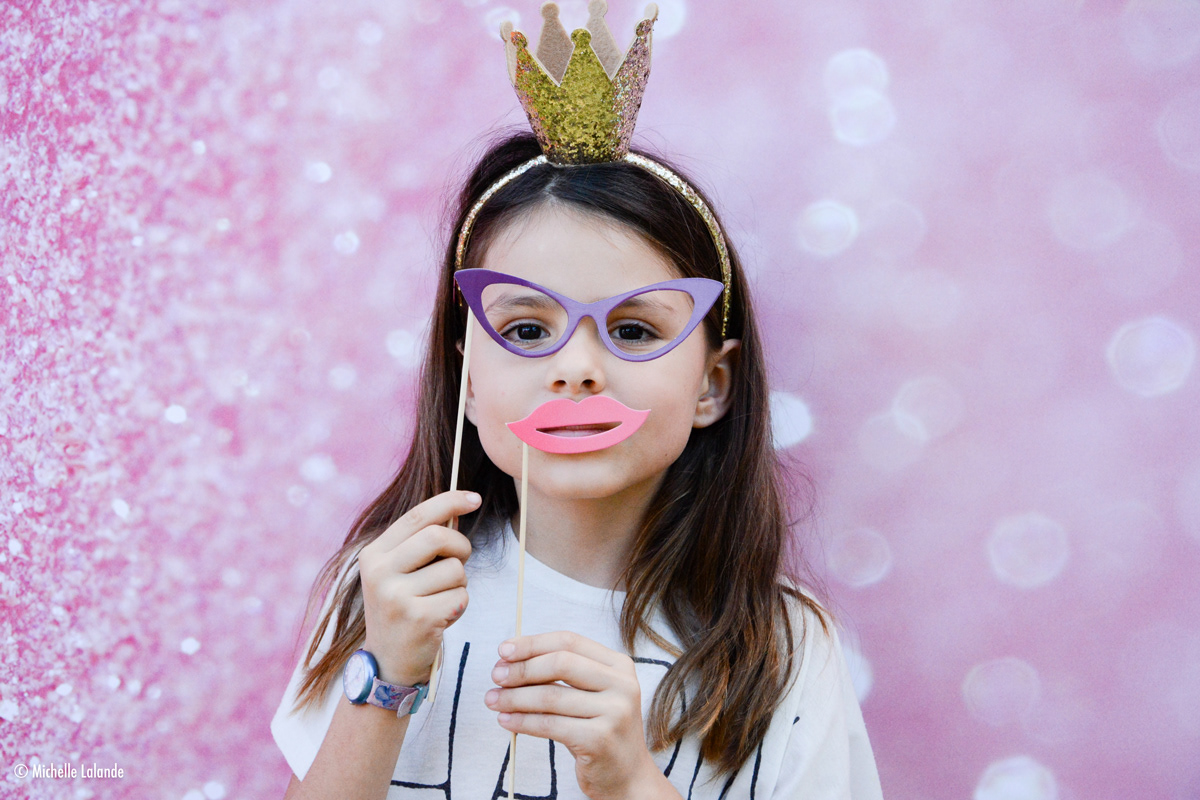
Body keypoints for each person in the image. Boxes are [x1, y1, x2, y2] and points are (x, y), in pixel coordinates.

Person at [272, 5, 883, 799]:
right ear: (468, 377)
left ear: (713, 384)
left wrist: (632, 781)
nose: (576, 370)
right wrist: (385, 674)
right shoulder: (392, 588)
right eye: (527, 329)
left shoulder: (787, 650)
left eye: (633, 330)